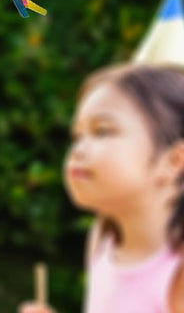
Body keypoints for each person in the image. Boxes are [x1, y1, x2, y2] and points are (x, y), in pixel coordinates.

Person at [19, 63, 184, 313]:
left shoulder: (177, 276)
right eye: (77, 137)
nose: (78, 150)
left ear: (172, 162)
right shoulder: (102, 241)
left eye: (102, 131)